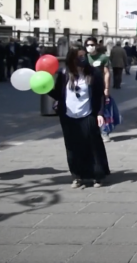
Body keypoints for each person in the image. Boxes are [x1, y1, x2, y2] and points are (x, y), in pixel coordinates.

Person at [48, 47, 110, 188]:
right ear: (71, 59)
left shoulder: (93, 73)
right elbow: (59, 94)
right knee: (72, 147)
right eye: (79, 56)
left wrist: (100, 113)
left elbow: (100, 95)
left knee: (93, 145)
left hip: (88, 115)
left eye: (84, 55)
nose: (82, 58)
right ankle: (77, 176)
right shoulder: (64, 74)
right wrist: (46, 89)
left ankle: (97, 175)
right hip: (69, 117)